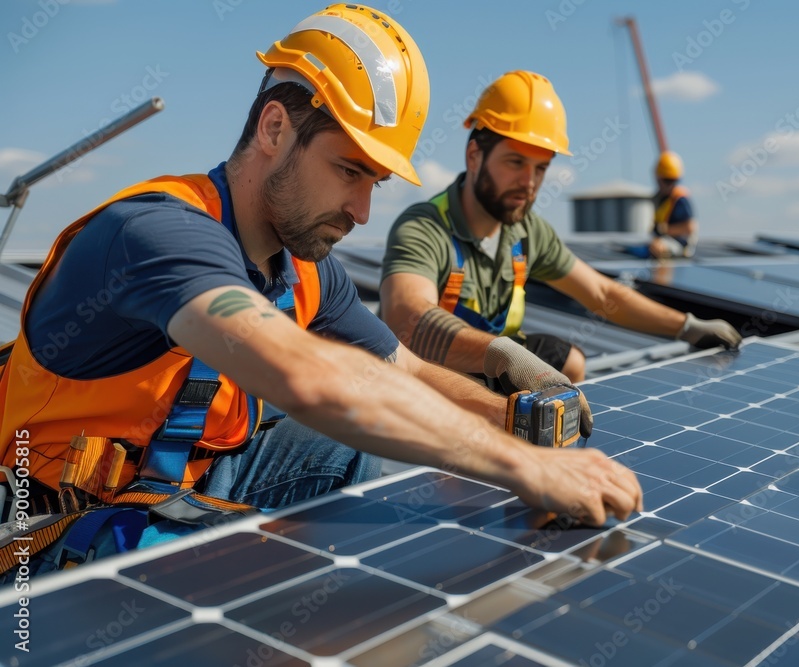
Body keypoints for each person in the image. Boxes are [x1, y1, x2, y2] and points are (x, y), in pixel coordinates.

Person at [0, 6, 641, 570]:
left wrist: (514, 420)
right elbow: (309, 377)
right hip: (51, 525)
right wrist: (526, 470)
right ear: (275, 129)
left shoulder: (304, 262)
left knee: (341, 452)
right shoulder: (155, 235)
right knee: (274, 574)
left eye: (375, 184)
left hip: (174, 480)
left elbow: (403, 372)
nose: (362, 211)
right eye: (348, 170)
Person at [379, 70, 741, 393]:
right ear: (474, 156)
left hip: (488, 365)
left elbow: (602, 293)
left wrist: (688, 326)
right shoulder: (425, 226)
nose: (529, 182)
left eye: (541, 168)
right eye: (515, 162)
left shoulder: (525, 231)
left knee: (569, 363)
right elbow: (406, 317)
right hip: (424, 378)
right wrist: (505, 354)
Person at [649, 151, 697, 259]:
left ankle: (662, 276)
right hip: (660, 240)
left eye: (673, 181)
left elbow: (690, 227)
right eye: (667, 181)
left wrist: (665, 230)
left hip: (679, 244)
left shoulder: (680, 199)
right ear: (658, 179)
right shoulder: (659, 199)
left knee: (658, 248)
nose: (670, 185)